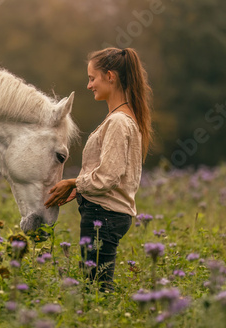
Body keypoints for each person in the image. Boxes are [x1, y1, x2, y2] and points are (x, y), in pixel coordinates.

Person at [44, 47, 153, 292]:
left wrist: (74, 183)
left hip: (103, 216)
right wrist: (81, 189)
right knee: (95, 283)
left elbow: (108, 177)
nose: (89, 85)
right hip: (107, 213)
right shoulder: (124, 118)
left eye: (92, 78)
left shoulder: (117, 122)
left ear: (110, 77)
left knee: (95, 288)